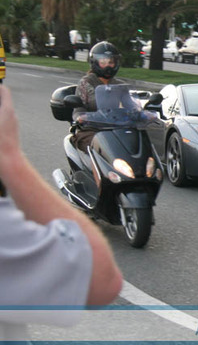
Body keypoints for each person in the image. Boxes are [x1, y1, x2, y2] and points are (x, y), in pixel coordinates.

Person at [0, 85, 123, 341]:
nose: (108, 64)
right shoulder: (87, 84)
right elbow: (102, 280)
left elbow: (129, 107)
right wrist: (10, 158)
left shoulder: (117, 87)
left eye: (110, 60)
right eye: (103, 60)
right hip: (89, 131)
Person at [73, 41, 126, 152]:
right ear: (95, 62)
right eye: (103, 62)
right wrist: (84, 118)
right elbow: (95, 101)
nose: (108, 65)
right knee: (104, 149)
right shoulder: (86, 82)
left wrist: (144, 112)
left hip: (117, 129)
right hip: (91, 130)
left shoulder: (120, 85)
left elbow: (131, 104)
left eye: (111, 62)